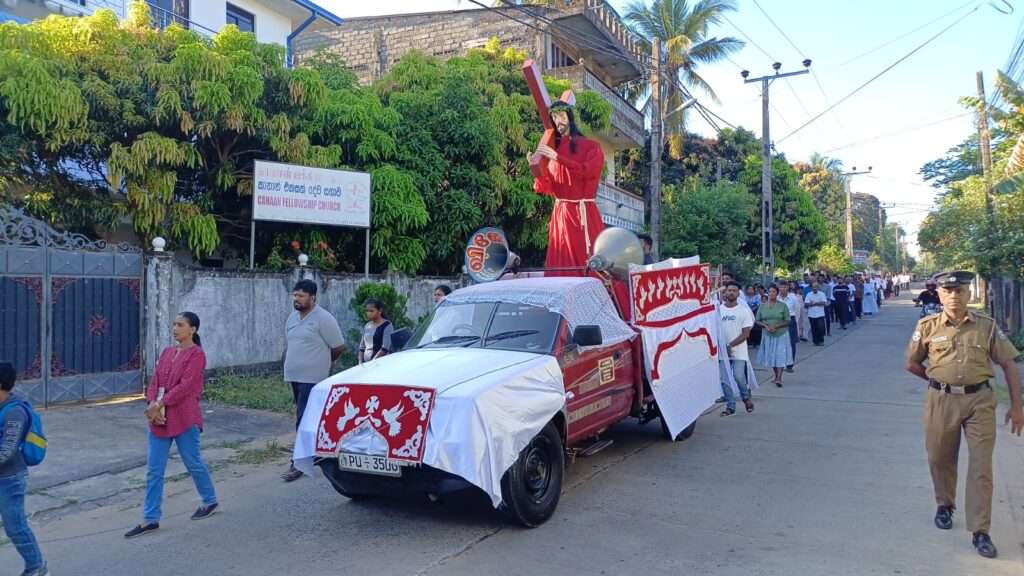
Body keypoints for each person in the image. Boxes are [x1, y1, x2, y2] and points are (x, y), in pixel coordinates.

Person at [905, 270, 1023, 560]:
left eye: (960, 291)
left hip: (979, 402)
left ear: (969, 294)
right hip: (941, 401)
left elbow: (1008, 365)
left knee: (981, 467)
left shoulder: (987, 327)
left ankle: (981, 531)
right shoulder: (928, 326)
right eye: (949, 291)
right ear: (940, 294)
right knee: (939, 457)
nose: (955, 296)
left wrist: (1017, 406)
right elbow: (911, 363)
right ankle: (945, 504)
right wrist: (938, 382)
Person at [125, 312, 218, 539]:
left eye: (180, 325)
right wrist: (152, 405)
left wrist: (160, 404)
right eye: (174, 324)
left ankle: (209, 500)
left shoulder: (197, 355)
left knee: (193, 462)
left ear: (193, 329)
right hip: (159, 417)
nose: (175, 328)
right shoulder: (168, 352)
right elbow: (155, 379)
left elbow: (186, 386)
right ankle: (150, 518)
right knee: (154, 470)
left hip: (184, 417)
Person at [281, 280, 345, 483]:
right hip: (294, 376)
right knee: (307, 418)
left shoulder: (323, 318)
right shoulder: (292, 318)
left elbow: (338, 346)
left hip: (313, 378)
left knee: (303, 418)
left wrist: (323, 363)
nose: (296, 299)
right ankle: (317, 452)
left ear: (312, 297)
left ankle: (298, 462)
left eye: (301, 296)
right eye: (295, 295)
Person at [530, 100, 605, 269]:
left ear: (570, 117)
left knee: (589, 259)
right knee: (561, 261)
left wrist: (558, 158)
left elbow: (587, 172)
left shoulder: (591, 147)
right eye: (555, 118)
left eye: (562, 116)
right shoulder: (552, 150)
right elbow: (548, 186)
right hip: (561, 214)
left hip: (583, 213)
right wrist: (536, 170)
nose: (559, 121)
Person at [0, 362, 48, 575]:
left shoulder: (15, 412)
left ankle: (36, 567)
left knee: (15, 527)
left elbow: (7, 450)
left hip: (9, 479)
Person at [718, 281, 755, 416]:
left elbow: (746, 333)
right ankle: (730, 406)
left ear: (738, 293)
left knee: (739, 377)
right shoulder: (718, 310)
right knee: (725, 380)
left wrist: (730, 345)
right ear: (725, 293)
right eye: (729, 290)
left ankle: (746, 397)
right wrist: (722, 347)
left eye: (734, 290)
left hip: (738, 351)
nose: (731, 292)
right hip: (722, 352)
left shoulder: (744, 311)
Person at [755, 285, 793, 387]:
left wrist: (776, 326)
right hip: (767, 334)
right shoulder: (762, 306)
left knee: (780, 355)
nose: (772, 294)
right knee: (772, 356)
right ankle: (776, 376)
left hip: (781, 333)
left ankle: (779, 378)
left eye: (774, 292)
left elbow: (788, 320)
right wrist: (766, 326)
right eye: (770, 292)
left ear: (777, 293)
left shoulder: (783, 306)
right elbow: (757, 320)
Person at [359, 298, 394, 364]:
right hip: (366, 364)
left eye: (371, 311)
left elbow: (385, 348)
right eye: (367, 311)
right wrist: (360, 362)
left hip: (380, 363)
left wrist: (373, 362)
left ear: (380, 311)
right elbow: (362, 347)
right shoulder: (367, 326)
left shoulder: (387, 325)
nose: (368, 313)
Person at [779, 283, 800, 373]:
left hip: (790, 319)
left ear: (787, 288)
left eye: (784, 287)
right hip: (779, 321)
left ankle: (790, 365)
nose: (782, 289)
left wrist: (795, 321)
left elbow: (797, 310)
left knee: (791, 343)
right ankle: (781, 364)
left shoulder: (793, 297)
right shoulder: (776, 298)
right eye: (781, 287)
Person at [804, 281, 828, 346]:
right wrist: (816, 303)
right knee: (814, 328)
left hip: (820, 314)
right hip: (811, 314)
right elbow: (806, 304)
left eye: (816, 287)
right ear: (811, 287)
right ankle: (815, 342)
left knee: (821, 328)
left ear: (818, 287)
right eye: (813, 287)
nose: (815, 288)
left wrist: (814, 303)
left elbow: (824, 303)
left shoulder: (822, 294)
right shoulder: (809, 294)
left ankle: (821, 340)